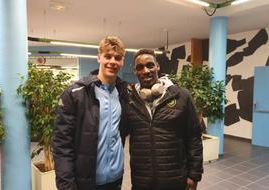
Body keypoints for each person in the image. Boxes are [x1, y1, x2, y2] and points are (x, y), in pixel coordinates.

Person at [53, 36, 128, 190]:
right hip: (86, 181)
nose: (112, 61)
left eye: (117, 58)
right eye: (108, 56)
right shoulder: (75, 94)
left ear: (122, 61)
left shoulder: (124, 93)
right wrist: (66, 185)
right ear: (99, 57)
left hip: (115, 179)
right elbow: (62, 145)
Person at [126, 49, 203, 190]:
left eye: (150, 65)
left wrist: (194, 174)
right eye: (140, 67)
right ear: (135, 71)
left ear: (157, 66)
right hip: (142, 180)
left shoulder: (181, 96)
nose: (146, 71)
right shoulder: (129, 100)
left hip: (175, 179)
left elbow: (194, 137)